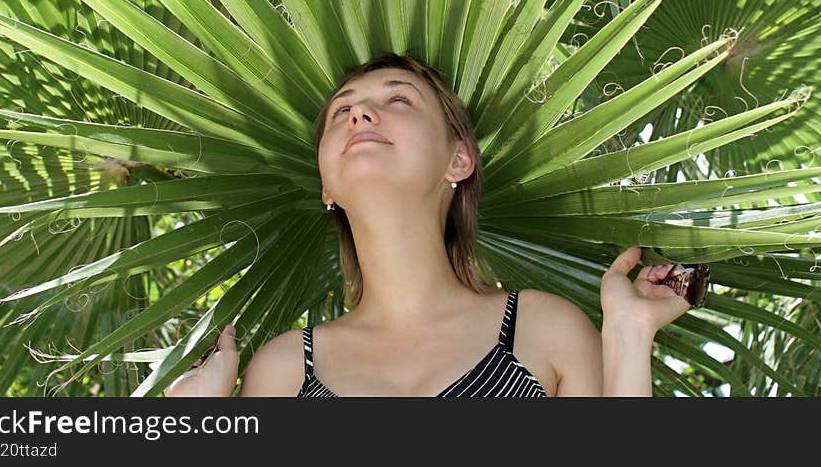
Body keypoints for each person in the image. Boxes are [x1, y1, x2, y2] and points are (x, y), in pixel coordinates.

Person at [164, 52, 691, 397]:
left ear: (458, 161)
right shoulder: (281, 371)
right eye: (340, 112)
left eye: (397, 99)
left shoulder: (543, 328)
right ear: (327, 188)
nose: (359, 115)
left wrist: (627, 332)